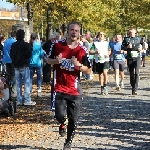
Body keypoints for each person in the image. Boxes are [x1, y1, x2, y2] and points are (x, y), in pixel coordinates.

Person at [47, 21, 91, 150]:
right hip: (59, 87)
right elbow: (48, 60)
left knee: (74, 119)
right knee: (59, 115)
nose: (74, 32)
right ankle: (62, 123)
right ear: (67, 31)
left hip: (74, 90)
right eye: (72, 30)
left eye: (76, 31)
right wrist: (56, 61)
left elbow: (89, 70)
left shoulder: (82, 50)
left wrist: (78, 65)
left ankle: (68, 142)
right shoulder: (57, 45)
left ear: (79, 33)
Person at [10, 29, 36, 106]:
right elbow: (29, 54)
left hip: (16, 65)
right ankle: (27, 99)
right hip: (24, 65)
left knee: (18, 83)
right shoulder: (25, 45)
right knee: (27, 83)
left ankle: (19, 100)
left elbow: (11, 54)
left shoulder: (14, 45)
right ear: (23, 36)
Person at [121, 27, 143, 95]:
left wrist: (141, 49)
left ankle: (135, 88)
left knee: (136, 72)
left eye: (132, 32)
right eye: (130, 32)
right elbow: (122, 48)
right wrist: (127, 47)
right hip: (130, 57)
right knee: (131, 73)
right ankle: (133, 87)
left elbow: (143, 46)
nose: (131, 34)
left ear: (135, 32)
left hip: (137, 57)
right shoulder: (126, 39)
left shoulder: (140, 39)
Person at [29, 33, 45, 97]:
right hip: (38, 63)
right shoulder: (39, 45)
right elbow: (42, 55)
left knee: (30, 78)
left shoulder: (29, 45)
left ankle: (29, 90)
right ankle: (39, 91)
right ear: (36, 38)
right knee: (39, 78)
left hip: (30, 63)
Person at [2, 31, 16, 97]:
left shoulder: (6, 41)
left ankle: (7, 90)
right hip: (12, 60)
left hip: (6, 60)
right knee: (13, 76)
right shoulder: (14, 42)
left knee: (8, 75)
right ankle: (13, 92)